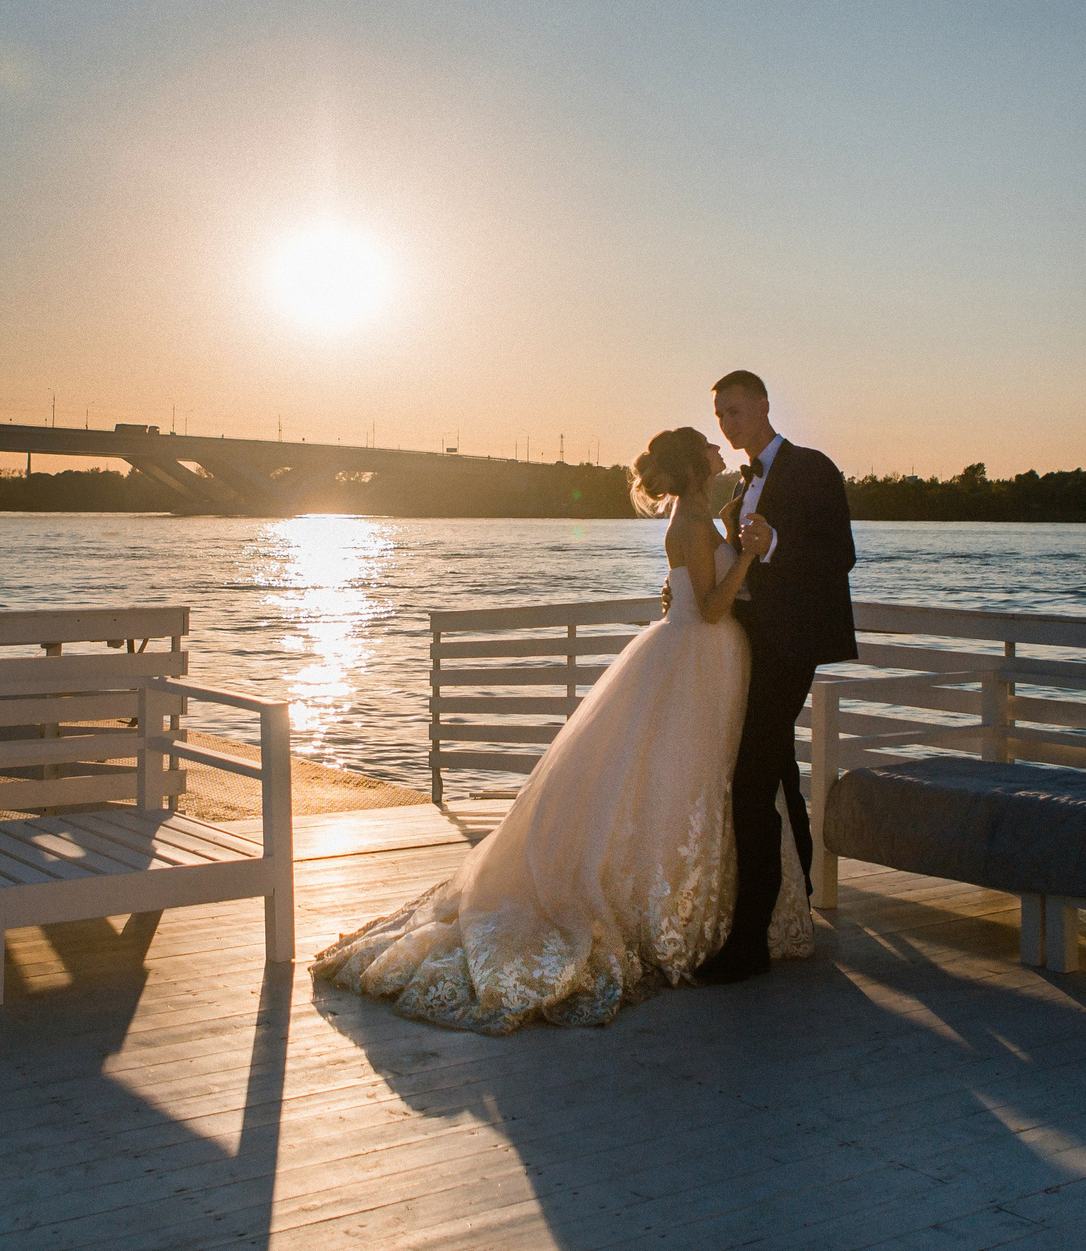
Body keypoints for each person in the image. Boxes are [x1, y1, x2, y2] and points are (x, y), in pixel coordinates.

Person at [311, 425, 810, 1033]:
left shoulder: (702, 517)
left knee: (693, 782)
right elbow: (708, 609)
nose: (717, 448)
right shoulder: (689, 523)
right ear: (696, 463)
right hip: (700, 658)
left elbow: (692, 591)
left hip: (702, 659)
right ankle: (675, 915)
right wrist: (751, 558)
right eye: (708, 442)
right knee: (690, 781)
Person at [695, 369, 858, 984]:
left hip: (792, 646)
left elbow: (842, 556)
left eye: (735, 412)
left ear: (763, 405)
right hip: (750, 645)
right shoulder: (739, 486)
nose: (728, 425)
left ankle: (749, 941)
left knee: (750, 777)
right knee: (780, 767)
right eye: (720, 416)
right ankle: (800, 895)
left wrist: (776, 542)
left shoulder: (812, 468)